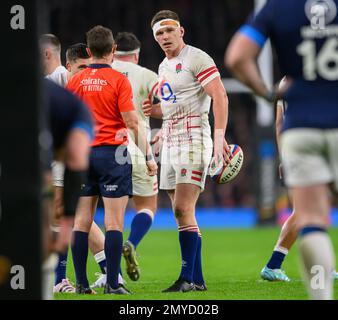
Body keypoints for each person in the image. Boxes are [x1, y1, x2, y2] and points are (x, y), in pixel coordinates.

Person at [225, 0, 338, 299]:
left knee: (311, 219)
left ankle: (321, 293)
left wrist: (267, 94)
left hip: (301, 128)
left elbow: (237, 57)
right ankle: (283, 265)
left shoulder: (279, 7)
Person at [143, 10, 231, 292]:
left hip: (194, 136)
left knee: (182, 207)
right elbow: (170, 106)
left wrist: (219, 136)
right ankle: (198, 280)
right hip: (170, 138)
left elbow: (220, 94)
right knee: (183, 212)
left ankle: (186, 278)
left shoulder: (197, 58)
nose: (164, 37)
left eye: (169, 31)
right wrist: (153, 111)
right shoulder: (163, 67)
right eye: (159, 33)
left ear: (181, 31)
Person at [67, 25, 157, 295]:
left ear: (88, 50)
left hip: (82, 155)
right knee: (114, 223)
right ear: (113, 50)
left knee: (81, 221)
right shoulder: (119, 80)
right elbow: (132, 121)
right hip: (112, 155)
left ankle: (81, 284)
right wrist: (149, 157)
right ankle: (113, 284)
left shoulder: (75, 81)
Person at [110, 32, 159, 282]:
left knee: (112, 215)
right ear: (136, 55)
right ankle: (132, 242)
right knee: (147, 206)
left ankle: (111, 275)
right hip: (139, 147)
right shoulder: (147, 75)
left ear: (113, 51)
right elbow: (171, 102)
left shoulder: (104, 70)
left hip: (109, 146)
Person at [42, 79, 93, 299]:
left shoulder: (73, 113)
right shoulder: (71, 108)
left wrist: (65, 222)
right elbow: (75, 158)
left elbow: (74, 160)